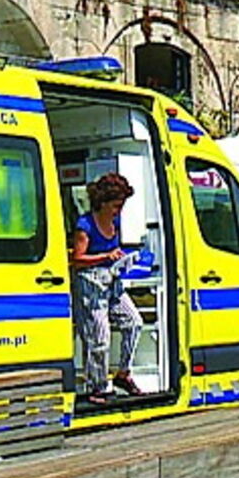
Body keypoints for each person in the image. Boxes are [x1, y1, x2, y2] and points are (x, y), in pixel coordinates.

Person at [71, 173, 143, 404]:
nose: (118, 210)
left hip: (112, 281)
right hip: (91, 283)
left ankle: (123, 373)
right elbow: (77, 259)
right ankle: (97, 386)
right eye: (115, 206)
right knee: (99, 337)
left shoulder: (116, 223)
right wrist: (105, 256)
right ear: (102, 203)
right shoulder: (85, 225)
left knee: (134, 322)